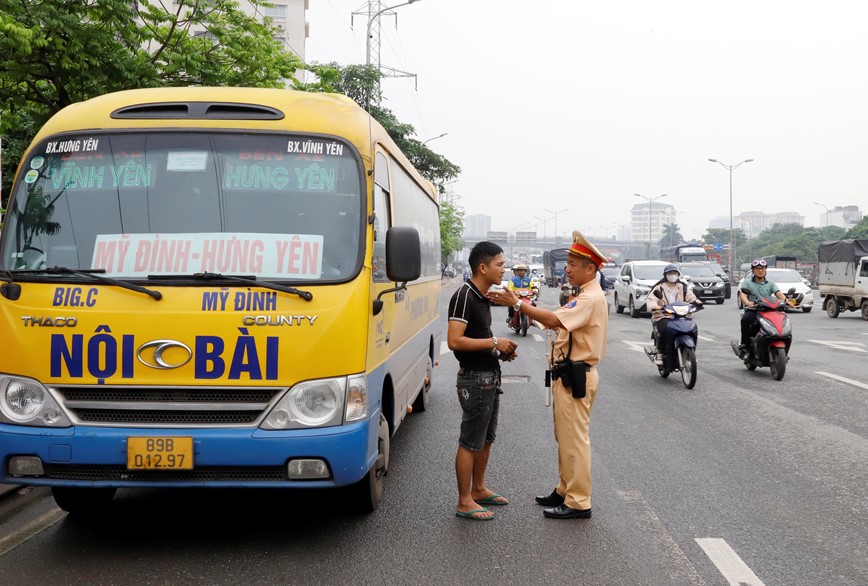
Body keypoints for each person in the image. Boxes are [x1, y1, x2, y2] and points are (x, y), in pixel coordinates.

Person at [488, 230, 608, 519]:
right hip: (567, 376)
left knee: (574, 441)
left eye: (573, 264)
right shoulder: (583, 294)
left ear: (590, 269)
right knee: (564, 437)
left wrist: (517, 304)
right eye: (567, 262)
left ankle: (578, 502)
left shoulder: (590, 298)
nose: (567, 268)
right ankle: (565, 489)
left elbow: (555, 319)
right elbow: (557, 319)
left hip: (576, 376)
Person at [447, 241, 518, 521]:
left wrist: (496, 352)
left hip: (489, 376)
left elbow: (476, 339)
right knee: (470, 441)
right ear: (483, 267)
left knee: (486, 438)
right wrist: (496, 341)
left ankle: (478, 489)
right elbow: (455, 341)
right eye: (500, 265)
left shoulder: (481, 295)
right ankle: (464, 501)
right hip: (475, 380)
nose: (504, 270)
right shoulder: (464, 295)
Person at [645, 264, 701, 367]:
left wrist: (697, 302)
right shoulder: (659, 288)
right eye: (670, 273)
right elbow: (651, 300)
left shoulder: (682, 287)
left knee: (693, 328)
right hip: (663, 315)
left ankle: (690, 352)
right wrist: (656, 307)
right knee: (665, 329)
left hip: (681, 316)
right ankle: (660, 352)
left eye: (674, 273)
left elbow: (691, 297)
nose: (672, 275)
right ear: (665, 275)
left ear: (678, 275)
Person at [738, 258, 788, 358]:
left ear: (766, 270)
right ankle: (745, 347)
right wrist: (748, 302)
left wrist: (787, 301)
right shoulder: (747, 283)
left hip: (769, 310)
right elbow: (743, 295)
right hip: (754, 310)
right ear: (753, 270)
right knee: (745, 320)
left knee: (783, 320)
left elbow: (779, 294)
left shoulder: (770, 283)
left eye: (762, 268)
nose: (760, 271)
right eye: (757, 269)